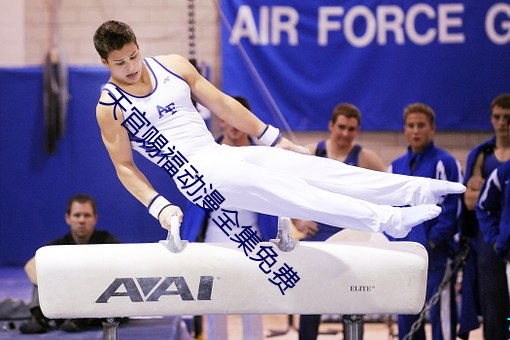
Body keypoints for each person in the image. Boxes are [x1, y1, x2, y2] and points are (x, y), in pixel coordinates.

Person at [93, 20, 464, 254]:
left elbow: (222, 103)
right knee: (295, 195)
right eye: (120, 63)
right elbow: (124, 167)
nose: (130, 68)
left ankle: (411, 190)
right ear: (105, 63)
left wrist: (273, 139)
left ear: (139, 46)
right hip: (198, 177)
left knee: (313, 169)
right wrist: (158, 206)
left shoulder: (172, 65)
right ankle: (387, 220)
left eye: (133, 56)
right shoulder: (110, 106)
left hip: (220, 153)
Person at [181, 96, 278, 340]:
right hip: (215, 238)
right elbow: (192, 201)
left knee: (253, 306)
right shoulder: (205, 155)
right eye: (229, 119)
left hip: (254, 239)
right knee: (215, 306)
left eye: (239, 120)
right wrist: (187, 240)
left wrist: (276, 237)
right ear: (221, 120)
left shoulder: (262, 159)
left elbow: (275, 200)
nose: (235, 126)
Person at [296, 102, 386, 340]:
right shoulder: (311, 152)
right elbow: (284, 189)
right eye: (342, 127)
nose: (346, 134)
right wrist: (297, 220)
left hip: (351, 239)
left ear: (357, 131)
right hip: (317, 235)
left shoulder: (366, 158)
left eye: (351, 129)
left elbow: (389, 192)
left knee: (353, 300)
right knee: (310, 302)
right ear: (331, 126)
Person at [387, 103, 462, 340]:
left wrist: (432, 242)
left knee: (442, 320)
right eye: (411, 126)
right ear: (405, 130)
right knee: (407, 321)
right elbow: (388, 209)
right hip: (405, 259)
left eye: (421, 125)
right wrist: (395, 243)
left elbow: (452, 209)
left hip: (436, 257)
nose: (416, 131)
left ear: (432, 129)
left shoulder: (445, 163)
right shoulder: (395, 167)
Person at [19, 194, 120, 334]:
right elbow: (30, 266)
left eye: (87, 215)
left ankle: (80, 319)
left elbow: (118, 270)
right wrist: (60, 283)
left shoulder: (108, 242)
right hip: (65, 298)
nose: (82, 220)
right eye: (77, 215)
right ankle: (38, 318)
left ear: (95, 218)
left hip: (96, 301)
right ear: (68, 218)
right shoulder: (57, 246)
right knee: (42, 270)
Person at [460, 93, 510, 340]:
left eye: (507, 118)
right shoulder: (482, 154)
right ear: (491, 119)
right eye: (497, 117)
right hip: (489, 238)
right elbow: (469, 202)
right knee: (493, 304)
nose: (502, 123)